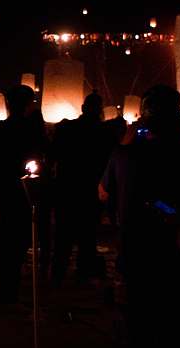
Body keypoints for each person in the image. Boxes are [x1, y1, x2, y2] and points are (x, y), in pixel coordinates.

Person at [114, 85, 180, 348]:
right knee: (177, 329)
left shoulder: (128, 155)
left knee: (139, 328)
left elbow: (105, 191)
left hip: (139, 253)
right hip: (179, 254)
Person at [49, 93, 115, 285]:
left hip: (67, 189)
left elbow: (53, 154)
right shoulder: (103, 133)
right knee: (87, 236)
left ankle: (58, 273)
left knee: (64, 236)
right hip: (89, 190)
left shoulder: (67, 128)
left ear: (83, 108)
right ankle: (82, 273)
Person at [0, 84, 48, 304]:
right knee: (19, 240)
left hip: (6, 190)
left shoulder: (1, 129)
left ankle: (8, 287)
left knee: (9, 240)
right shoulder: (30, 130)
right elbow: (43, 152)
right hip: (24, 192)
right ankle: (11, 289)